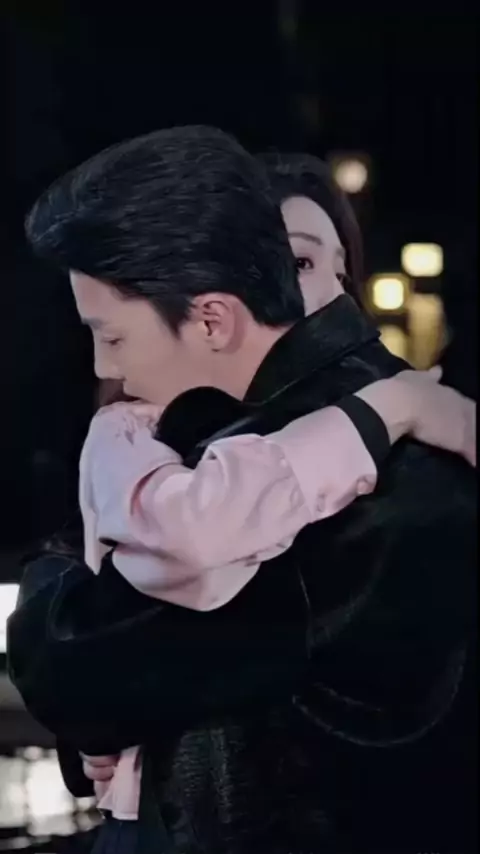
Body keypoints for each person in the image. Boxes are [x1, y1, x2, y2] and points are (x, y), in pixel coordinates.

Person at [8, 127, 476, 854]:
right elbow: (85, 581)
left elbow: (87, 662)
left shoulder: (376, 472)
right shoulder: (197, 422)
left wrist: (65, 650)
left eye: (301, 259)